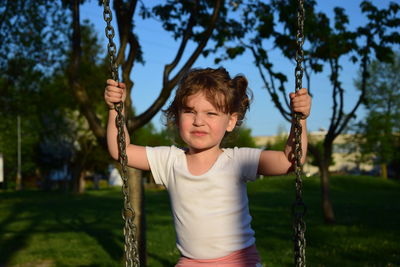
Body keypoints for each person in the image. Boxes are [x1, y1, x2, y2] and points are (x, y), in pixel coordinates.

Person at [104, 67, 311, 267]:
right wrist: (116, 110)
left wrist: (299, 119)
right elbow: (121, 151)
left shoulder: (238, 161)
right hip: (190, 261)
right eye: (189, 111)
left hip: (238, 261)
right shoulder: (169, 160)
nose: (198, 121)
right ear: (177, 117)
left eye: (211, 113)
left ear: (230, 121)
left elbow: (290, 160)